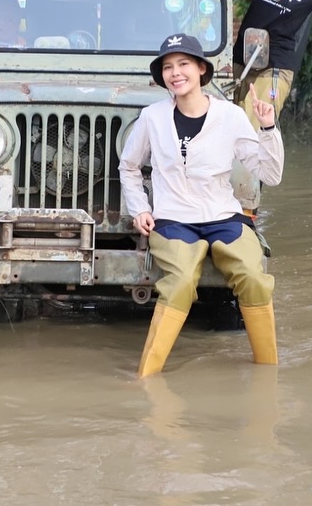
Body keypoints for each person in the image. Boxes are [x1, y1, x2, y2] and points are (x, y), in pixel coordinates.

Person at [120, 34, 284, 377]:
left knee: (254, 277)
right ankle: (145, 378)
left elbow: (269, 173)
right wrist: (140, 208)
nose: (175, 73)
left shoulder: (230, 116)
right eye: (167, 67)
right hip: (173, 220)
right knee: (179, 282)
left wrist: (268, 126)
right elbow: (130, 166)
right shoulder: (152, 117)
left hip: (223, 216)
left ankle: (269, 376)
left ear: (201, 70)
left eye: (183, 64)